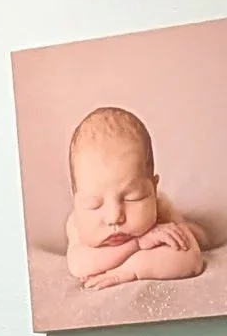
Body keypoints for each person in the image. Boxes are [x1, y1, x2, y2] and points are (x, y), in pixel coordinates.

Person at [63, 105, 207, 289]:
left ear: (153, 191)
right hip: (140, 241)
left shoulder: (161, 212)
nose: (114, 216)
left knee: (195, 236)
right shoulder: (77, 223)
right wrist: (137, 244)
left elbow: (190, 260)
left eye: (132, 198)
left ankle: (192, 229)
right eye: (94, 204)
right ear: (76, 200)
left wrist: (130, 271)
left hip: (168, 219)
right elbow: (80, 265)